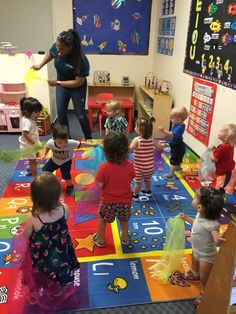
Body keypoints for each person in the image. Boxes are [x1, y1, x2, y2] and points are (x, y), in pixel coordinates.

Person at [21, 172, 80, 306]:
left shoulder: (34, 218)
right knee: (61, 267)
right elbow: (64, 221)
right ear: (58, 194)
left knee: (43, 272)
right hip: (62, 248)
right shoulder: (65, 209)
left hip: (44, 255)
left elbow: (25, 236)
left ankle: (46, 287)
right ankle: (61, 287)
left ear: (34, 198)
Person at [32, 29, 92, 139]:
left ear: (71, 47)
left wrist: (58, 83)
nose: (59, 51)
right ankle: (66, 138)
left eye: (62, 49)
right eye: (58, 47)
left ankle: (88, 137)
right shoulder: (58, 46)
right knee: (61, 113)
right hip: (61, 87)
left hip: (77, 87)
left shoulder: (80, 59)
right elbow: (51, 53)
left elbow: (79, 82)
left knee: (80, 114)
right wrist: (40, 65)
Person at [179, 186, 225, 307]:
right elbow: (196, 223)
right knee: (194, 262)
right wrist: (186, 218)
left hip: (206, 256)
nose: (193, 197)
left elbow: (216, 240)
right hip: (196, 248)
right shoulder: (200, 215)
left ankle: (204, 293)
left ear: (200, 206)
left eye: (195, 197)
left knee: (205, 278)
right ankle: (194, 273)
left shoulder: (213, 224)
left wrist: (219, 238)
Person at [92, 132, 135, 247]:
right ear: (126, 150)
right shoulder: (130, 165)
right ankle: (125, 238)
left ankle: (100, 239)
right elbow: (132, 177)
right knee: (124, 220)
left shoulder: (103, 167)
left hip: (107, 201)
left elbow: (99, 185)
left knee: (102, 219)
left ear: (106, 152)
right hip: (125, 201)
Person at [42, 124, 97, 195]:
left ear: (68, 138)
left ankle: (70, 187)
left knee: (66, 176)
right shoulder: (51, 142)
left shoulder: (71, 143)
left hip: (66, 162)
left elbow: (82, 144)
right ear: (54, 139)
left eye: (65, 142)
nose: (63, 145)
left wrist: (93, 145)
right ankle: (49, 184)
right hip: (54, 160)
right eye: (59, 143)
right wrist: (44, 154)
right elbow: (47, 146)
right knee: (45, 170)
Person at [129, 117, 161, 201]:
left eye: (135, 126)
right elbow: (159, 147)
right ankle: (148, 191)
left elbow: (130, 149)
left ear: (139, 129)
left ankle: (135, 195)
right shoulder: (151, 139)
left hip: (139, 168)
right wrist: (162, 147)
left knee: (138, 183)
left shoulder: (137, 140)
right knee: (147, 180)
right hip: (150, 167)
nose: (134, 128)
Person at [159, 106, 188, 180]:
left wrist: (163, 131)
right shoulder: (178, 124)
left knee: (173, 160)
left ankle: (171, 174)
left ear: (179, 120)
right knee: (178, 158)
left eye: (172, 118)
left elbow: (172, 134)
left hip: (177, 146)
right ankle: (178, 168)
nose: (170, 119)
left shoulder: (179, 127)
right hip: (178, 145)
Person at [19, 97, 43, 177]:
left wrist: (37, 129)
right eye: (36, 112)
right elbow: (25, 134)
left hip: (29, 144)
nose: (39, 114)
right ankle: (35, 178)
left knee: (35, 155)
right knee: (34, 163)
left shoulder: (28, 118)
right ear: (27, 111)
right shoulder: (28, 122)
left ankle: (29, 167)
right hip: (29, 145)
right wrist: (35, 143)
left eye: (39, 111)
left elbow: (30, 129)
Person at [210, 123, 236, 192]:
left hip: (224, 173)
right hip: (230, 170)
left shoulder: (223, 147)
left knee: (219, 190)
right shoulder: (229, 145)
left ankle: (218, 200)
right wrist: (214, 151)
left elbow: (214, 159)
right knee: (226, 188)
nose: (219, 132)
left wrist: (211, 153)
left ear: (226, 138)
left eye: (221, 131)